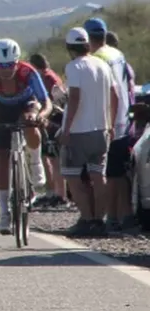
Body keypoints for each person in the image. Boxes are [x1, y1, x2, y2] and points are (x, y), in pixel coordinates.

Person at [0, 38, 52, 235]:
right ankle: (4, 212)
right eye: (1, 65)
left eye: (10, 64)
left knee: (29, 121)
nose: (6, 69)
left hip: (27, 104)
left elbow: (46, 103)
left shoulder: (27, 72)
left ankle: (36, 164)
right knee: (2, 157)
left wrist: (40, 116)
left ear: (17, 61)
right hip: (2, 110)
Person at [59, 27, 118, 237]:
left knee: (73, 176)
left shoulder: (74, 67)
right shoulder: (102, 65)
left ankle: (86, 219)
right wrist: (110, 124)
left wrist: (66, 129)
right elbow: (115, 96)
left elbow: (74, 97)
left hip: (78, 131)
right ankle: (99, 221)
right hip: (101, 129)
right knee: (98, 175)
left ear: (69, 48)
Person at [89, 21, 137, 231]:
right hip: (124, 119)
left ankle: (112, 216)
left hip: (108, 121)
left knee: (108, 173)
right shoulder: (117, 54)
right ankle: (121, 215)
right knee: (119, 173)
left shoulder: (97, 59)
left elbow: (105, 92)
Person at [28, 53, 68, 207]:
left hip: (52, 120)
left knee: (53, 158)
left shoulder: (47, 77)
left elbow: (55, 100)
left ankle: (59, 194)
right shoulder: (51, 75)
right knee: (48, 157)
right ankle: (53, 192)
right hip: (50, 120)